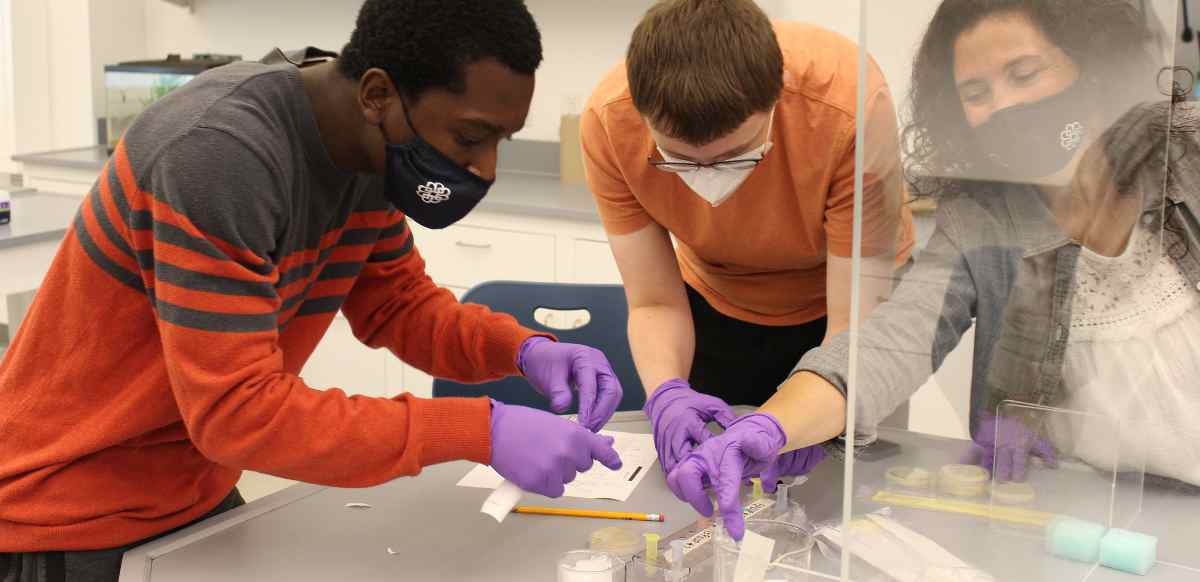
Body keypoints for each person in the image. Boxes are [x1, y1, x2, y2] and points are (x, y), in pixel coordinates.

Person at [0, 1, 626, 579]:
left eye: (500, 142)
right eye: (470, 137)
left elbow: (400, 306)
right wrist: (479, 430)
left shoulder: (364, 147)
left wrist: (524, 350)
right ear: (379, 93)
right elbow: (239, 413)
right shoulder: (219, 156)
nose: (485, 168)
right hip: (69, 509)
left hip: (190, 489)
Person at [669, 0, 1200, 539]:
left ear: (1092, 58)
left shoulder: (1188, 151)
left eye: (1024, 73)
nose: (1005, 106)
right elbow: (888, 345)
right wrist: (771, 427)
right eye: (976, 94)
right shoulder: (983, 218)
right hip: (1072, 517)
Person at [580, 0, 915, 483]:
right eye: (680, 159)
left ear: (776, 98)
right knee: (719, 484)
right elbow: (654, 302)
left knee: (850, 496)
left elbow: (853, 332)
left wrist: (785, 425)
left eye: (737, 156)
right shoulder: (610, 123)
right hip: (720, 302)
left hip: (845, 307)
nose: (708, 183)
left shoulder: (848, 106)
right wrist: (668, 393)